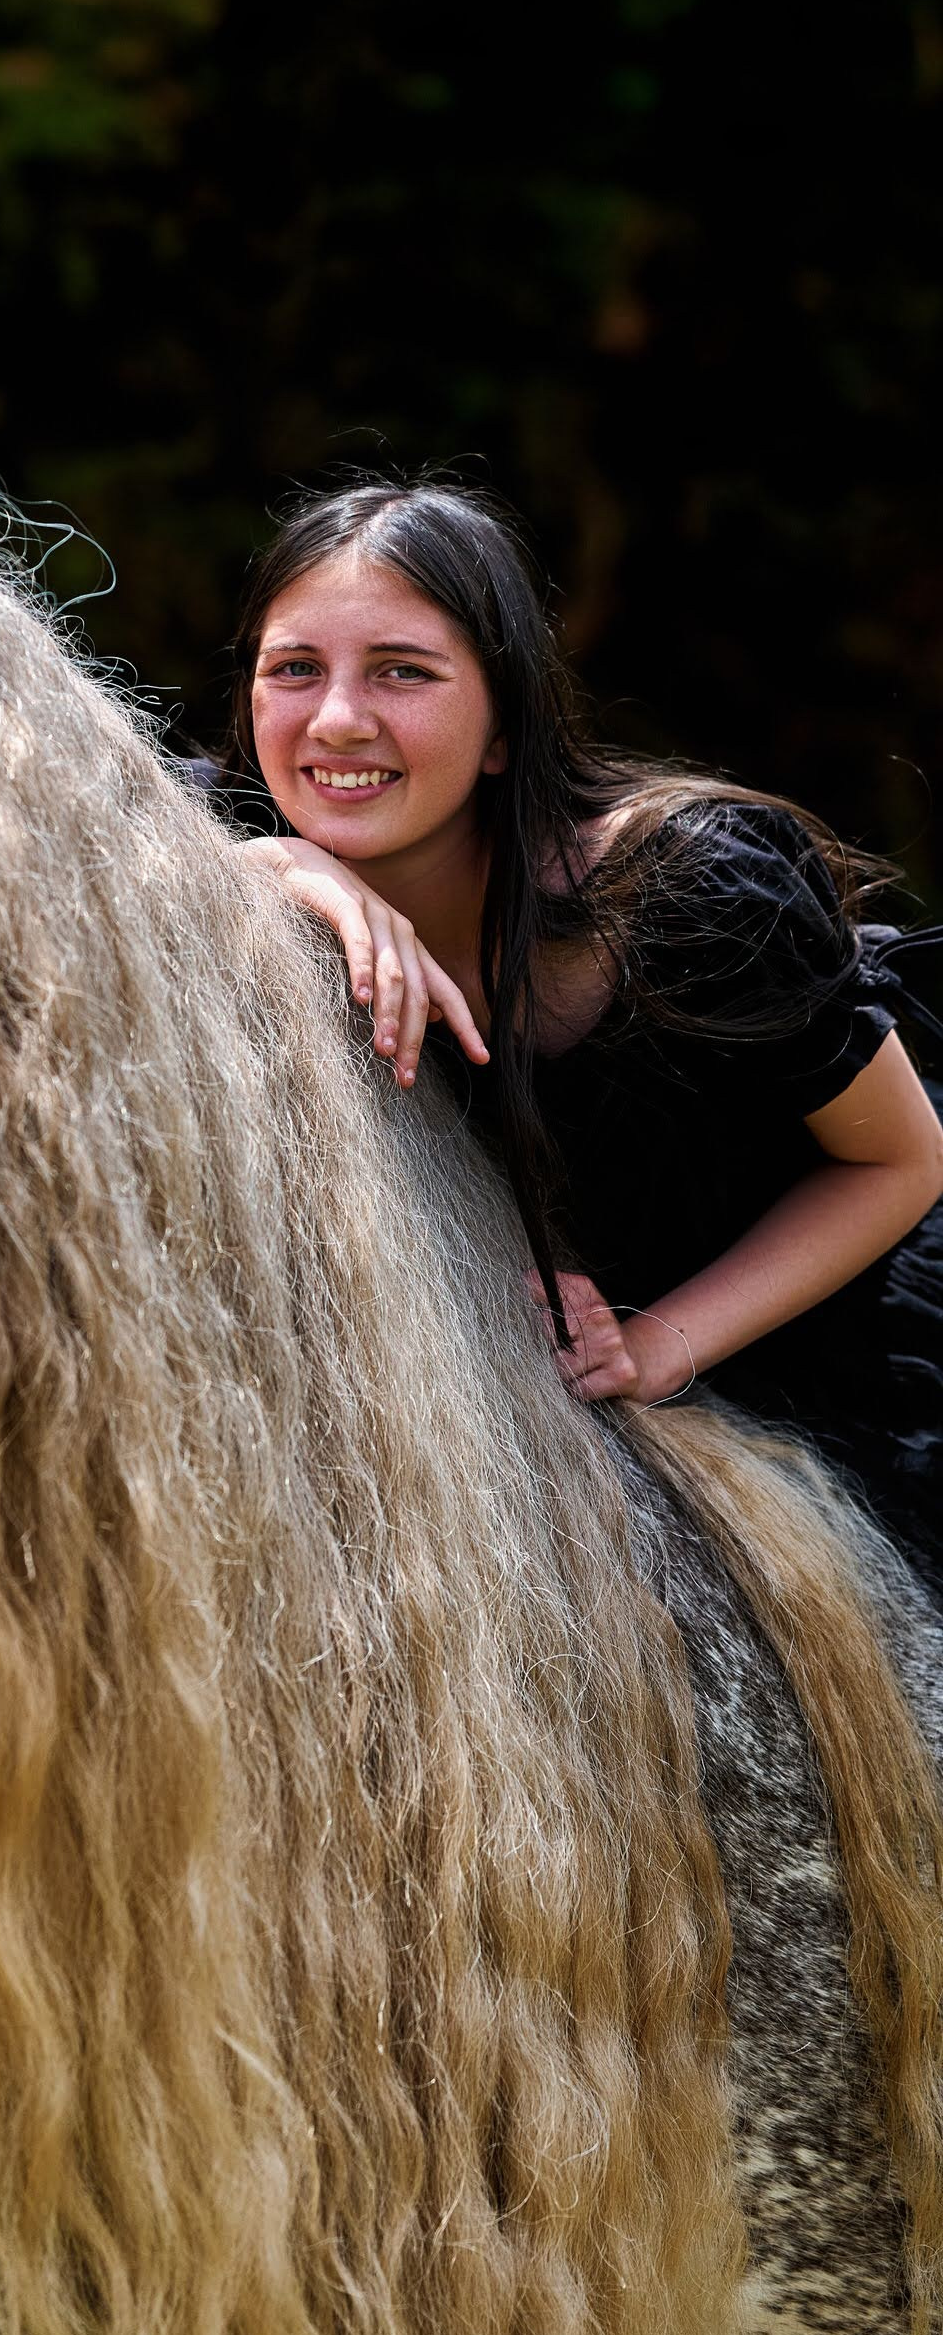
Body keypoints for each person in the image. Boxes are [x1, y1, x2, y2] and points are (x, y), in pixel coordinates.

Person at [209, 478, 943, 1564]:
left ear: (504, 729)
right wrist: (282, 863)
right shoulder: (218, 856)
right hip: (504, 1417)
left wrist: (656, 1347)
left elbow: (899, 1163)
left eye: (403, 671)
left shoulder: (694, 897)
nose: (337, 719)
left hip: (799, 1355)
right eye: (294, 669)